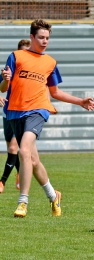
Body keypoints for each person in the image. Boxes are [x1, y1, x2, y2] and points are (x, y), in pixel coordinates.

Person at [0, 19, 94, 218]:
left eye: (47, 38)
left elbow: (55, 92)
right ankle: (54, 196)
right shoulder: (16, 57)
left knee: (23, 149)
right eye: (41, 37)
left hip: (38, 110)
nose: (45, 41)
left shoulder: (50, 62)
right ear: (32, 37)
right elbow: (3, 88)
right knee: (33, 161)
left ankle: (22, 203)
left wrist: (80, 101)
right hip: (15, 112)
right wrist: (5, 81)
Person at [0, 39, 31, 193]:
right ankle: (20, 172)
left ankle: (2, 181)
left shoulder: (32, 71)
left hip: (24, 114)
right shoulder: (9, 67)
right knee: (12, 149)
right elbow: (2, 88)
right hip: (8, 113)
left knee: (14, 147)